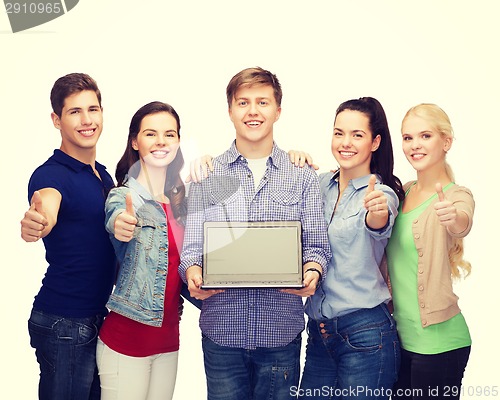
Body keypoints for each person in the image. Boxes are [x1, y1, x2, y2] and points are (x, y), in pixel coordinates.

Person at [179, 67, 331, 400]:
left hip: (281, 333)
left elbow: (317, 246)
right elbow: (191, 249)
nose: (253, 111)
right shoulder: (207, 175)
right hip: (222, 334)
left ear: (278, 110)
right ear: (230, 110)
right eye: (243, 102)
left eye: (262, 102)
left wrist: (312, 271)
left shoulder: (301, 175)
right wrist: (192, 273)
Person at [288, 97, 404, 399]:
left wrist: (377, 212)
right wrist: (291, 158)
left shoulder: (382, 193)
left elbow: (379, 220)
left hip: (365, 333)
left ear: (375, 142)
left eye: (357, 135)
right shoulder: (318, 184)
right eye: (339, 133)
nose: (345, 142)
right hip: (319, 334)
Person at [20, 73, 116, 400]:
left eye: (93, 109)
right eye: (75, 112)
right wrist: (37, 222)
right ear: (56, 120)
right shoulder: (51, 175)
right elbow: (45, 207)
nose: (87, 120)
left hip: (94, 318)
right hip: (66, 322)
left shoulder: (102, 174)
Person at [96, 101, 193, 400]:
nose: (161, 141)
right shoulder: (124, 197)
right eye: (151, 134)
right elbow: (116, 218)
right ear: (135, 142)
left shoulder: (180, 203)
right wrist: (120, 224)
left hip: (167, 342)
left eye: (170, 134)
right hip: (126, 341)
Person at [386, 104, 474, 400]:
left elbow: (462, 221)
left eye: (425, 135)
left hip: (441, 343)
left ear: (446, 142)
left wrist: (455, 218)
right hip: (402, 340)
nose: (415, 145)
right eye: (408, 138)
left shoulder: (455, 195)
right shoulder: (404, 191)